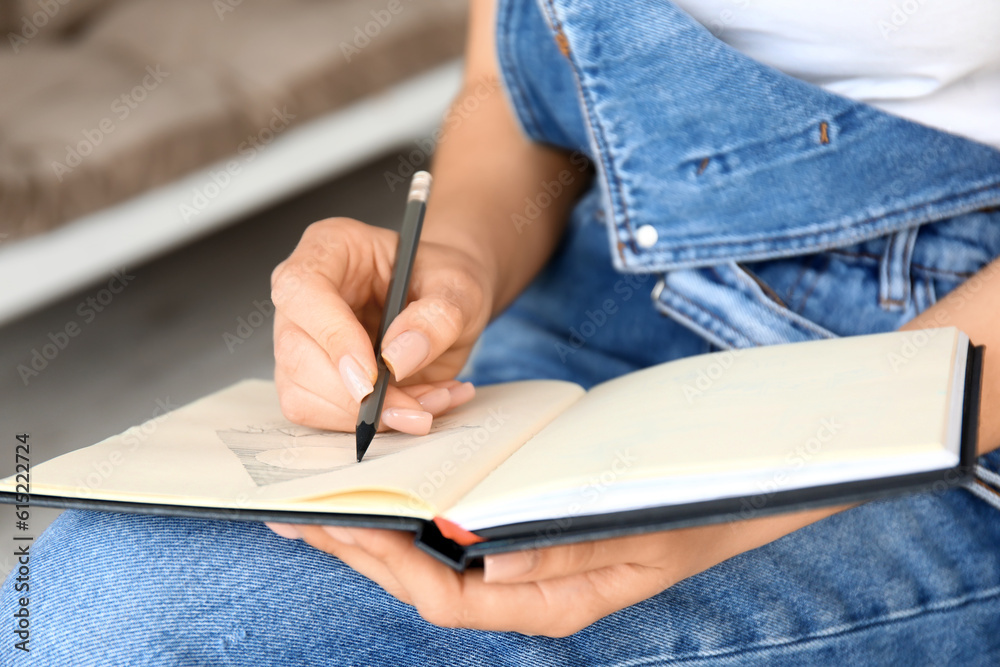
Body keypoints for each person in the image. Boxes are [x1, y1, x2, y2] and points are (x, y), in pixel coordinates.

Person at [4, 0, 1000, 664]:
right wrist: (452, 265)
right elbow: (522, 82)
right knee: (76, 598)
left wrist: (726, 508)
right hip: (606, 292)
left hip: (943, 393)